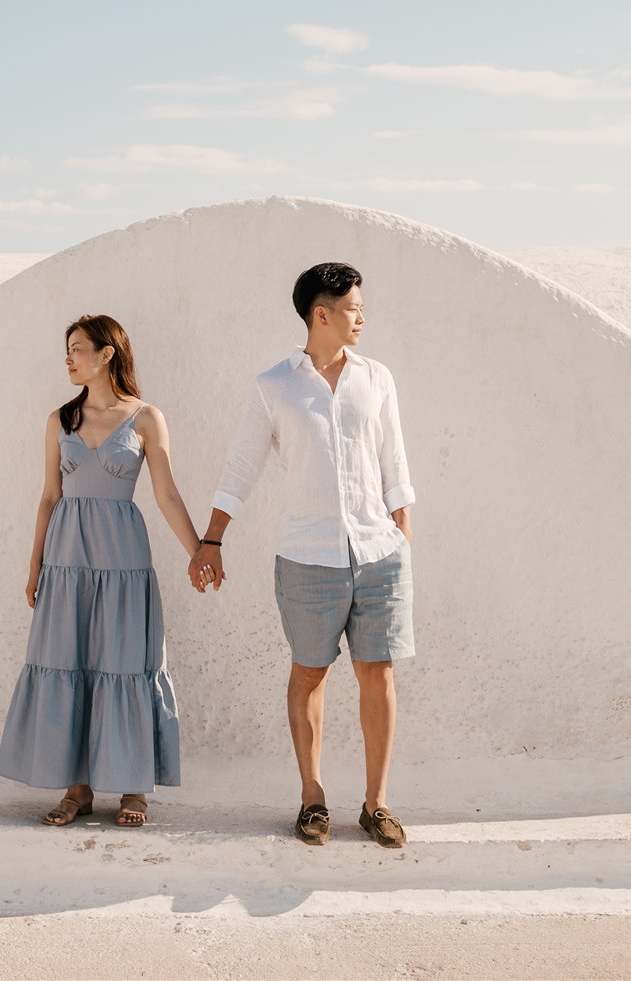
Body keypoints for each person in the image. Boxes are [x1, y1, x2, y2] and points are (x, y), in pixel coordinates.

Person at [188, 262, 416, 849]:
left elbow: (395, 463)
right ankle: (313, 798)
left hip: (378, 551)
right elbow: (242, 465)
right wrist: (211, 539)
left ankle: (376, 803)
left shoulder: (377, 378)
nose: (361, 317)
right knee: (310, 673)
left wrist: (402, 540)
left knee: (378, 674)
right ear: (322, 313)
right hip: (307, 555)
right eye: (353, 308)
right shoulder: (274, 386)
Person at [0, 314, 206, 828]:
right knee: (71, 662)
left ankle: (134, 787)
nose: (68, 359)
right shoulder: (60, 420)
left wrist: (199, 551)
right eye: (66, 351)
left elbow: (167, 493)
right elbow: (49, 497)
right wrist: (35, 566)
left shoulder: (146, 418)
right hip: (67, 561)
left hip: (123, 561)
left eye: (77, 349)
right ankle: (78, 787)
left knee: (124, 664)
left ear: (106, 353)